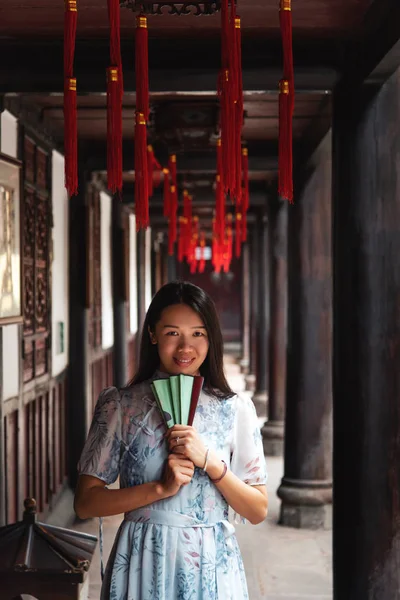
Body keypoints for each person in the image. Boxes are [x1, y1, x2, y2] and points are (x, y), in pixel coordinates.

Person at [75, 281, 268, 599]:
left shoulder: (235, 409)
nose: (185, 348)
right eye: (172, 333)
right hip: (142, 557)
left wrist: (211, 463)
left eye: (198, 333)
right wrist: (159, 489)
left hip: (211, 562)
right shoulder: (121, 406)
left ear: (210, 338)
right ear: (152, 334)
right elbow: (85, 502)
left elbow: (258, 509)